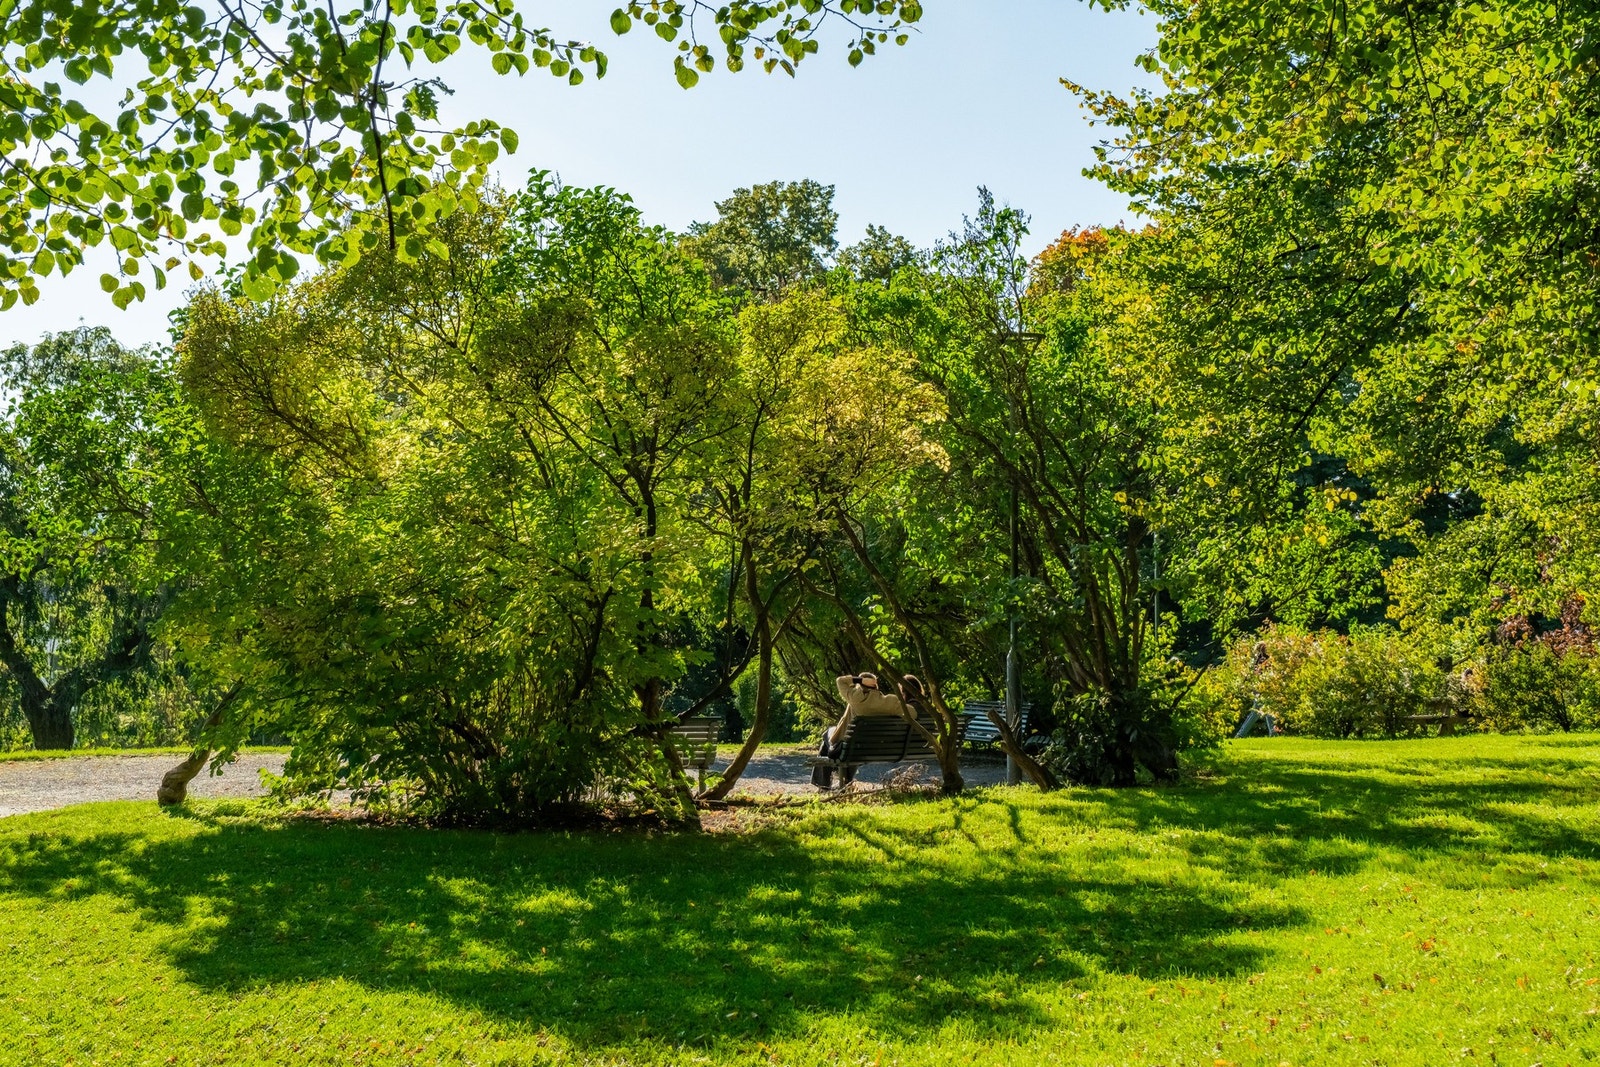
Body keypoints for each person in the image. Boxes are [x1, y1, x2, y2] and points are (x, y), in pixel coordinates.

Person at [812, 671, 906, 789]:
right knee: (852, 741)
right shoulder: (889, 702)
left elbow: (840, 681)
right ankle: (846, 781)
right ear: (876, 686)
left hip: (850, 748)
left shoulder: (856, 698)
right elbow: (911, 712)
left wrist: (859, 680)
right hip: (871, 748)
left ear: (860, 685)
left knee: (829, 734)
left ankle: (822, 784)